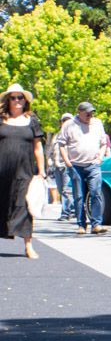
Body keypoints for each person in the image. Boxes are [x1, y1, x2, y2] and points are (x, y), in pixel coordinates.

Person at [1, 84, 46, 259]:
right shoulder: (0, 119)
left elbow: (38, 147)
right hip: (2, 169)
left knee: (25, 206)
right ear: (8, 100)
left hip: (25, 170)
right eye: (13, 98)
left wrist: (41, 170)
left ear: (25, 100)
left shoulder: (32, 120)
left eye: (20, 97)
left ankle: (28, 246)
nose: (17, 101)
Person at [59, 100, 111, 234]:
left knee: (96, 193)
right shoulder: (69, 125)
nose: (90, 115)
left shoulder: (97, 123)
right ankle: (81, 225)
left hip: (93, 164)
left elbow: (103, 142)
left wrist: (100, 157)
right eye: (87, 113)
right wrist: (67, 162)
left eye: (91, 112)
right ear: (79, 113)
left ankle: (96, 224)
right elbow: (62, 144)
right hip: (75, 165)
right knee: (79, 196)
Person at [49, 114, 77, 217]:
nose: (65, 122)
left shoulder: (74, 134)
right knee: (61, 190)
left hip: (67, 166)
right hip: (57, 166)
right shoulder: (56, 135)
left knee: (66, 190)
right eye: (64, 120)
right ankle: (75, 209)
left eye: (68, 120)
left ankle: (65, 213)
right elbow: (51, 150)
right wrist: (49, 160)